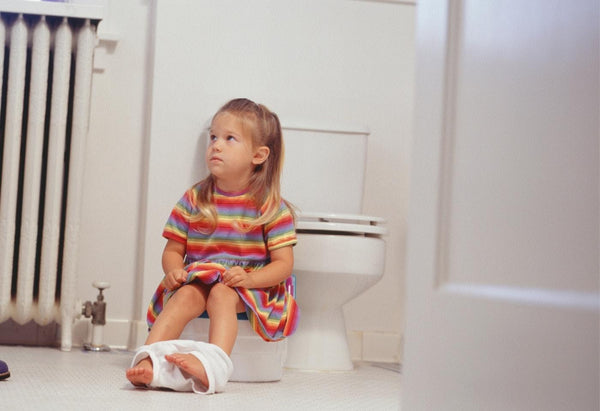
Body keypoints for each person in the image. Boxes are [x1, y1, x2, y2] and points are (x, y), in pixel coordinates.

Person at [126, 98, 298, 394]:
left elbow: (283, 265)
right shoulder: (195, 198)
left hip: (249, 287)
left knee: (221, 294)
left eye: (230, 138)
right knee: (184, 296)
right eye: (214, 137)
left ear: (258, 155)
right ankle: (150, 360)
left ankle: (212, 367)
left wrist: (250, 278)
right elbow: (173, 249)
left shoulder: (270, 207)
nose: (216, 145)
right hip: (200, 276)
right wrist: (174, 272)